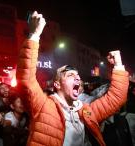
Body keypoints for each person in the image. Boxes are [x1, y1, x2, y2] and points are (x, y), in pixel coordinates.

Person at [16, 11, 129, 146]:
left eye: (77, 75)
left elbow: (116, 98)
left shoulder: (85, 111)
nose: (77, 78)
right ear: (57, 84)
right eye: (70, 75)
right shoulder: (43, 106)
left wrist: (118, 64)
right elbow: (26, 81)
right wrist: (34, 35)